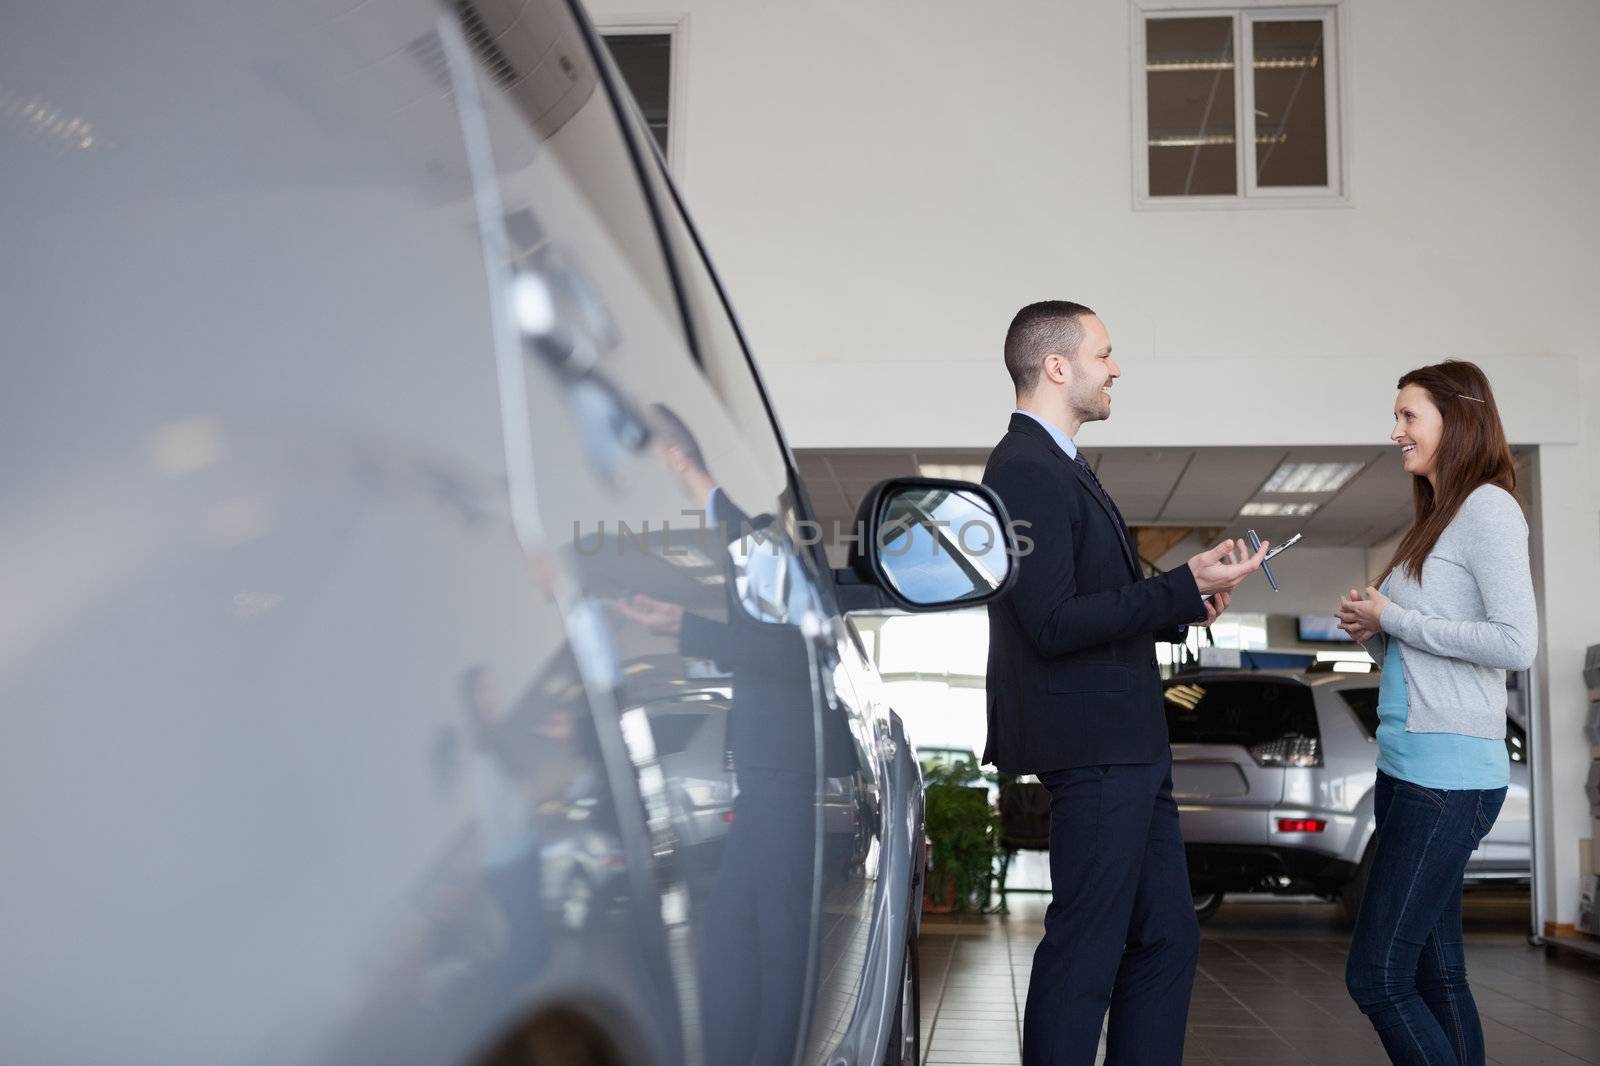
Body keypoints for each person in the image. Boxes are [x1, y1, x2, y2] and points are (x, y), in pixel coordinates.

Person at [982, 301, 1267, 1065]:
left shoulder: (1064, 467)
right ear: (1056, 366)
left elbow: (1096, 607)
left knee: (1167, 936)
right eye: (1104, 353)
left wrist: (1187, 603)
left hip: (1129, 745)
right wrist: (1175, 587)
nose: (1115, 368)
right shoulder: (1023, 469)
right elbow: (1049, 620)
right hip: (1096, 746)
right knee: (1087, 947)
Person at [1335, 360, 1537, 1066]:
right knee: (1434, 969)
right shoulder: (1438, 518)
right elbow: (1419, 665)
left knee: (1377, 976)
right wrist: (1378, 634)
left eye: (1408, 416)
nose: (1396, 432)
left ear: (1456, 419)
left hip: (1446, 778)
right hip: (1411, 766)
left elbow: (1518, 645)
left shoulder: (1489, 508)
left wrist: (1398, 616)